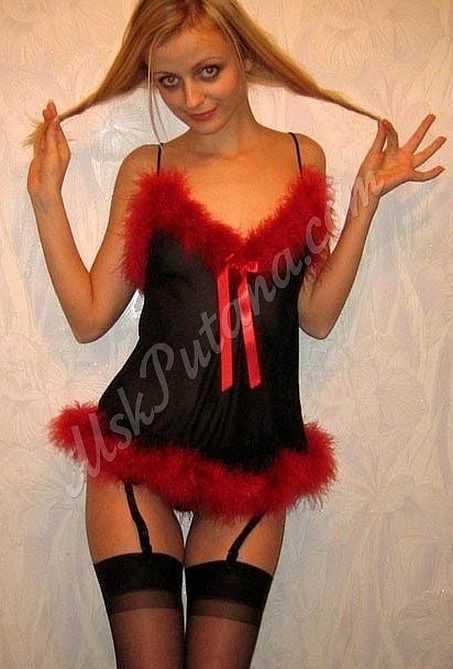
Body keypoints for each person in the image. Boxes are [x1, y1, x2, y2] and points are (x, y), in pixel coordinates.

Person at [24, 1, 446, 667]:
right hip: (137, 447)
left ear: (244, 57)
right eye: (168, 81)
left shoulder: (301, 156)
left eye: (208, 71)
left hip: (255, 459)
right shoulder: (147, 166)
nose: (191, 99)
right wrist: (47, 199)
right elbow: (89, 317)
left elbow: (315, 316)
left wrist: (363, 204)